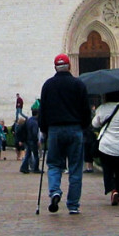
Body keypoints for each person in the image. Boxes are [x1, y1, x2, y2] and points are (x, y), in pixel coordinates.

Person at [38, 54, 91, 215]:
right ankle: (73, 205)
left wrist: (44, 129)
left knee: (54, 164)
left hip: (54, 130)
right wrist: (83, 127)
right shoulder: (78, 84)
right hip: (75, 129)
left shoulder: (48, 85)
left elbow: (43, 111)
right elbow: (86, 111)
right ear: (70, 66)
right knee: (75, 168)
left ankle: (55, 192)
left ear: (55, 67)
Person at [93, 89, 119, 205]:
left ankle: (113, 190)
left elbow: (95, 124)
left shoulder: (102, 108)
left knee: (108, 170)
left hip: (106, 144)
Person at [19, 108, 41, 174]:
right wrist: (37, 140)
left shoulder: (28, 120)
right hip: (32, 140)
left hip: (27, 139)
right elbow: (35, 133)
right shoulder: (35, 122)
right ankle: (36, 168)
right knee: (36, 155)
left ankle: (24, 167)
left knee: (28, 154)